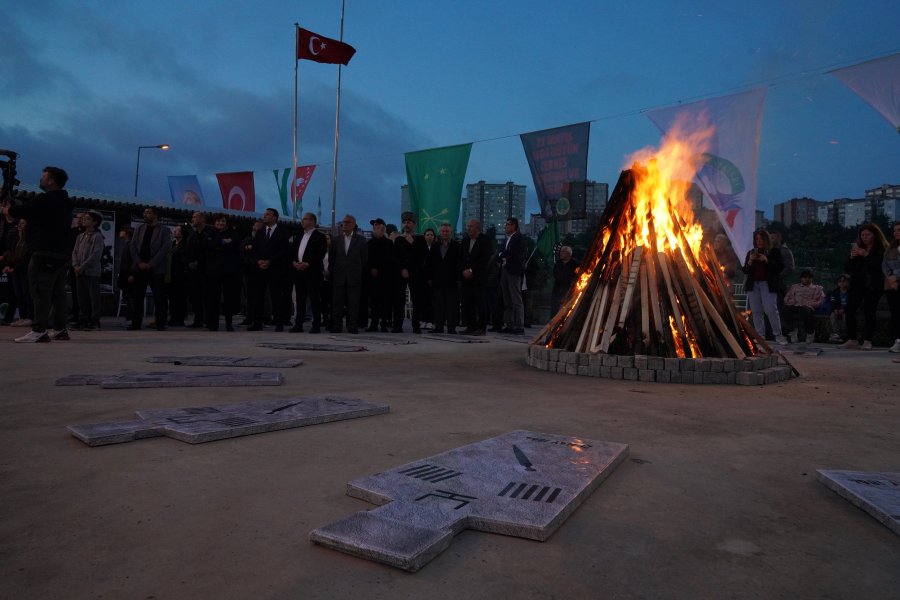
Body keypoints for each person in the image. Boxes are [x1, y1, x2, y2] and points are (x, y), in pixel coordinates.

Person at [0, 167, 73, 342]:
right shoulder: (66, 201)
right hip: (62, 254)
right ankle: (60, 328)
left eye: (43, 177)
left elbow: (25, 210)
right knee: (58, 292)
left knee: (40, 291)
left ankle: (39, 330)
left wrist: (7, 210)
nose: (40, 180)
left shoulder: (46, 199)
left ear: (51, 181)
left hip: (44, 252)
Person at [841, 222, 888, 350]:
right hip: (857, 284)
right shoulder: (858, 248)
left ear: (875, 235)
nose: (865, 237)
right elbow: (847, 268)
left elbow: (880, 267)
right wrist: (851, 257)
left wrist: (866, 255)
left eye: (868, 234)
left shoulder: (881, 249)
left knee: (869, 311)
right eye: (862, 234)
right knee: (849, 309)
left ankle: (868, 340)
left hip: (874, 285)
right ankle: (852, 339)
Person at [247, 208, 291, 331]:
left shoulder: (282, 232)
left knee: (276, 296)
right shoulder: (260, 232)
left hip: (275, 269)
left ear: (275, 217)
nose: (264, 216)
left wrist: (270, 261)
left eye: (267, 214)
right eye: (264, 214)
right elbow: (254, 249)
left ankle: (279, 323)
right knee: (258, 296)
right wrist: (258, 260)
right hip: (260, 269)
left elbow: (283, 251)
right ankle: (257, 323)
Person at [128, 206, 171, 331]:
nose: (145, 214)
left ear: (155, 215)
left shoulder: (164, 230)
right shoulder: (139, 228)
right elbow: (133, 246)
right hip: (140, 268)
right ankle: (136, 323)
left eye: (148, 213)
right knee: (137, 297)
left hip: (156, 269)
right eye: (144, 212)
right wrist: (139, 262)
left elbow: (164, 249)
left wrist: (150, 264)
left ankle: (160, 323)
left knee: (159, 298)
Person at [742, 229, 787, 345]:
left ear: (766, 239)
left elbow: (780, 267)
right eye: (757, 239)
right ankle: (760, 336)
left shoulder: (774, 252)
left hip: (767, 283)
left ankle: (778, 335)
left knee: (770, 309)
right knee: (756, 311)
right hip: (753, 285)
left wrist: (767, 260)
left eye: (761, 239)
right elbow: (745, 270)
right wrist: (750, 261)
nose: (759, 241)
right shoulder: (751, 253)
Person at [203, 214, 242, 331]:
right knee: (212, 299)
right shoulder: (210, 232)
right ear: (215, 222)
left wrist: (218, 243)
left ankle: (229, 324)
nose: (221, 223)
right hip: (213, 271)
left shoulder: (232, 233)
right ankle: (212, 324)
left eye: (223, 221)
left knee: (228, 299)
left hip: (228, 271)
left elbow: (236, 244)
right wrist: (221, 242)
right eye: (218, 221)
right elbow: (206, 244)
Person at [289, 212, 327, 333]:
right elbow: (294, 251)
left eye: (305, 219)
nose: (302, 221)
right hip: (299, 272)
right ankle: (298, 324)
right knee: (300, 299)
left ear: (312, 221)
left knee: (314, 299)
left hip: (312, 273)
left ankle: (316, 324)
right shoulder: (299, 236)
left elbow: (320, 253)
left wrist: (308, 263)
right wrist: (294, 262)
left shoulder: (320, 236)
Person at [329, 214, 367, 334]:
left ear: (354, 225)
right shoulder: (336, 240)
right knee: (337, 303)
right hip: (339, 276)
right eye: (343, 223)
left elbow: (364, 259)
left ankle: (352, 326)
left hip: (354, 277)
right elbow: (332, 258)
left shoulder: (361, 240)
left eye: (347, 222)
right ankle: (337, 325)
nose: (344, 224)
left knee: (353, 303)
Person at [392, 212, 428, 333]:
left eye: (409, 222)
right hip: (401, 273)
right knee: (398, 300)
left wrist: (413, 242)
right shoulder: (398, 239)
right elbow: (395, 257)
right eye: (405, 222)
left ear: (414, 224)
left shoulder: (420, 239)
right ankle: (397, 325)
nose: (406, 224)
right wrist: (402, 269)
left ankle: (416, 325)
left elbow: (423, 256)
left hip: (416, 274)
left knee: (417, 300)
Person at [70, 210, 105, 330]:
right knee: (82, 297)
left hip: (92, 273)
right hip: (79, 272)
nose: (84, 220)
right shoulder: (80, 236)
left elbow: (95, 255)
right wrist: (75, 266)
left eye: (88, 219)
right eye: (84, 218)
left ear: (95, 222)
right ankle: (83, 319)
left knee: (93, 298)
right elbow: (74, 252)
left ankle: (94, 321)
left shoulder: (98, 236)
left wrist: (82, 266)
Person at [458, 219, 491, 336]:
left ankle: (482, 328)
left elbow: (485, 258)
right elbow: (461, 257)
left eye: (471, 226)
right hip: (466, 278)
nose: (468, 228)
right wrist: (464, 270)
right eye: (468, 226)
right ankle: (470, 326)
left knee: (480, 302)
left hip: (479, 277)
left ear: (477, 228)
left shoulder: (485, 240)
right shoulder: (465, 240)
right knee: (468, 302)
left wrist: (472, 270)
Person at [427, 223, 460, 333]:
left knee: (452, 306)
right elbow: (430, 263)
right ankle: (438, 327)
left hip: (452, 281)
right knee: (438, 305)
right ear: (440, 233)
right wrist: (430, 278)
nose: (445, 233)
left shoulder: (456, 246)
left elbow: (459, 264)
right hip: (438, 281)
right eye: (443, 231)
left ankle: (451, 328)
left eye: (447, 231)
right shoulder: (435, 246)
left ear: (450, 232)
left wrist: (459, 279)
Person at [498, 217, 526, 334]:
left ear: (514, 226)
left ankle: (519, 325)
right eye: (506, 224)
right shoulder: (506, 240)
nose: (506, 227)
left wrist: (503, 254)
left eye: (508, 224)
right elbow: (500, 252)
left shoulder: (518, 238)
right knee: (507, 299)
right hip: (505, 269)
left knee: (516, 299)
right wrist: (502, 255)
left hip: (513, 271)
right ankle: (509, 324)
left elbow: (511, 252)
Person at [366, 217, 394, 332]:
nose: (375, 228)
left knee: (384, 302)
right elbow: (366, 259)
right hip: (372, 278)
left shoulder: (388, 243)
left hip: (385, 277)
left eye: (377, 226)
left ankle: (384, 323)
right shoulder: (370, 243)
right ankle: (373, 323)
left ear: (383, 229)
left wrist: (379, 269)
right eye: (374, 226)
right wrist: (371, 269)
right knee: (373, 302)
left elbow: (390, 260)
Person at [782, 270, 824, 344]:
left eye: (809, 277)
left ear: (812, 279)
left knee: (805, 311)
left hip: (807, 306)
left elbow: (821, 300)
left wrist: (810, 303)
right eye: (805, 277)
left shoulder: (817, 288)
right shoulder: (794, 287)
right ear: (801, 278)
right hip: (795, 305)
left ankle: (810, 333)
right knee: (785, 309)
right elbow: (787, 298)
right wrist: (792, 302)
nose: (807, 279)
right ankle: (792, 332)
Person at [184, 211, 210, 328]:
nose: (192, 219)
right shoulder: (192, 235)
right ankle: (198, 320)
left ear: (202, 219)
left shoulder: (209, 233)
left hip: (206, 271)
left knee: (206, 296)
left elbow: (209, 251)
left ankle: (207, 319)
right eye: (192, 217)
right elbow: (188, 251)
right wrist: (189, 262)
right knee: (195, 297)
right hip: (193, 272)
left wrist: (199, 262)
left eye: (195, 217)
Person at [165, 225, 189, 327]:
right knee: (172, 298)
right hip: (171, 275)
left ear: (182, 233)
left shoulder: (185, 245)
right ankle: (173, 317)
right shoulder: (173, 244)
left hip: (180, 275)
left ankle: (180, 319)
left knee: (180, 298)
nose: (175, 231)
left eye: (177, 230)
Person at [882, 221, 900, 353]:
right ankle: (898, 340)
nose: (896, 232)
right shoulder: (890, 247)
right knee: (896, 313)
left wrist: (896, 277)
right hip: (891, 285)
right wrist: (890, 278)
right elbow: (884, 264)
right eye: (895, 230)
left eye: (899, 230)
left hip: (897, 280)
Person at [551, 245, 579, 316]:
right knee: (555, 307)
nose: (561, 253)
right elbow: (555, 274)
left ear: (568, 253)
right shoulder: (558, 263)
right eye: (561, 252)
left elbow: (576, 276)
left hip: (568, 289)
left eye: (563, 252)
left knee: (566, 307)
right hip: (557, 288)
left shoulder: (575, 264)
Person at [827, 274, 851, 343]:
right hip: (837, 310)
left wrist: (844, 309)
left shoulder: (851, 292)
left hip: (847, 311)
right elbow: (832, 302)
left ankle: (844, 335)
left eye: (844, 281)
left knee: (845, 317)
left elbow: (852, 303)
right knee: (833, 315)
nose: (842, 283)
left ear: (848, 282)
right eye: (840, 281)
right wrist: (835, 309)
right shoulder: (835, 292)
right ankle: (837, 334)